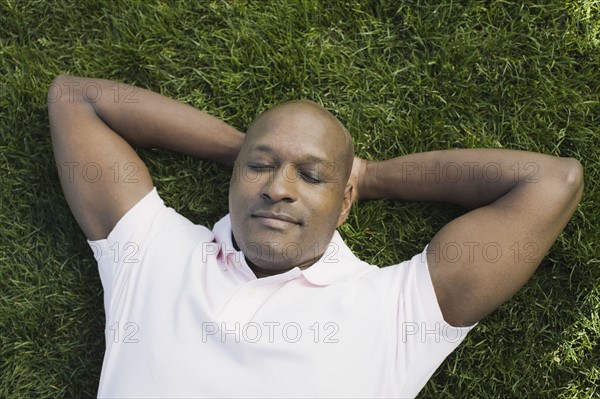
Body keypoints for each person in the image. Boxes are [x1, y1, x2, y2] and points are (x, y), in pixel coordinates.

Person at [48, 74, 583, 398]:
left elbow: (551, 182)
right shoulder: (153, 252)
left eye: (310, 175)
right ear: (234, 176)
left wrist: (369, 176)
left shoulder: (399, 311)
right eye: (260, 166)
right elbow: (76, 99)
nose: (279, 188)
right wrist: (243, 147)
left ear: (344, 200)